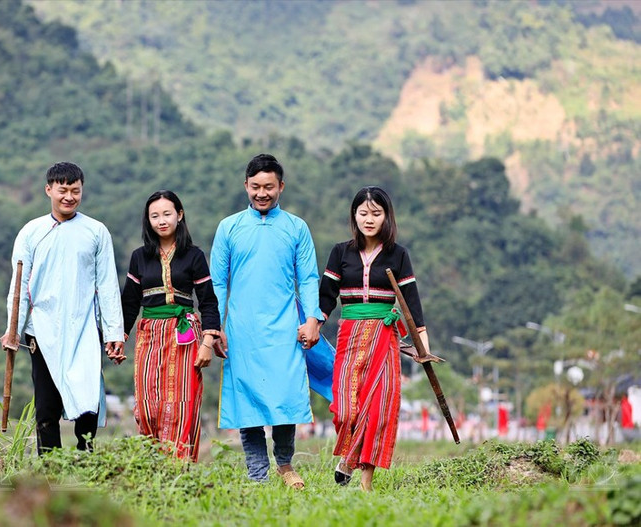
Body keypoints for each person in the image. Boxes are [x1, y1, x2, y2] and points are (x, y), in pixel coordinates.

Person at [210, 153, 323, 489]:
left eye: (269, 187)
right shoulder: (229, 227)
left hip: (285, 328)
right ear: (246, 186)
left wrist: (313, 318)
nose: (262, 193)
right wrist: (214, 328)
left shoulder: (296, 227)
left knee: (285, 398)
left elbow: (308, 278)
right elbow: (217, 282)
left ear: (281, 187)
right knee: (247, 404)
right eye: (256, 186)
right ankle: (257, 473)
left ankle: (286, 465)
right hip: (241, 330)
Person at [1, 162, 125, 454]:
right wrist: (13, 330)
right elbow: (18, 289)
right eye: (63, 190)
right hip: (42, 330)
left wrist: (113, 333)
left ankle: (86, 459)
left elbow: (107, 285)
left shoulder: (96, 231)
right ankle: (51, 470)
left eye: (75, 191)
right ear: (49, 190)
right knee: (46, 405)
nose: (69, 197)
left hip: (84, 327)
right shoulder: (31, 232)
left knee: (88, 402)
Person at [318, 186, 430, 491]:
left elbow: (411, 303)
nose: (369, 219)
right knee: (345, 409)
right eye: (363, 213)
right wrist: (314, 324)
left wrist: (423, 346)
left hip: (384, 337)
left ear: (387, 217)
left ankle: (366, 482)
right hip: (349, 337)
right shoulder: (340, 252)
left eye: (376, 213)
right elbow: (326, 297)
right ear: (354, 215)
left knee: (378, 409)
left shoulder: (398, 254)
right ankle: (347, 458)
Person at [120, 190, 221, 462]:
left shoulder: (194, 256)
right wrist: (119, 337)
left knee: (181, 404)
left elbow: (208, 301)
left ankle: (178, 471)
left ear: (180, 215)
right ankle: (153, 466)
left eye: (167, 214)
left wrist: (207, 343)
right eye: (154, 216)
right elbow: (130, 302)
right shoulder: (139, 257)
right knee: (147, 405)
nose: (161, 221)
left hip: (185, 335)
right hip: (149, 335)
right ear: (147, 220)